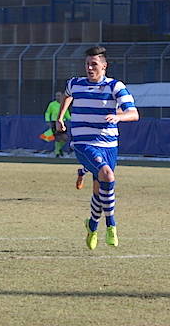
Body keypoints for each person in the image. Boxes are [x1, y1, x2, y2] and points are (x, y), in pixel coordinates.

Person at [56, 46, 139, 250]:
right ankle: (111, 224)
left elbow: (134, 113)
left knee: (99, 191)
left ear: (104, 65)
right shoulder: (75, 84)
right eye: (87, 64)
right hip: (83, 143)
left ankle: (92, 225)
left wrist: (118, 116)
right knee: (107, 175)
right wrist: (60, 117)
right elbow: (67, 95)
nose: (90, 68)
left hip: (109, 145)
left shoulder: (115, 87)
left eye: (94, 64)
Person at [43, 91, 71, 157]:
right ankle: (57, 152)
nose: (58, 97)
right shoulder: (52, 104)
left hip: (62, 123)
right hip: (54, 122)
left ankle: (59, 149)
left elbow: (66, 113)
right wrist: (48, 121)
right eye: (57, 96)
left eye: (59, 96)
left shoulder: (64, 103)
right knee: (57, 138)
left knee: (65, 138)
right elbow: (47, 113)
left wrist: (71, 119)